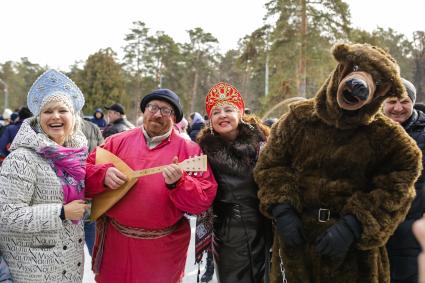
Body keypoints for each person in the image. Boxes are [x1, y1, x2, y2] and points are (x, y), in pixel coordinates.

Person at [254, 43, 422, 282]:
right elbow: (271, 165)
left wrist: (354, 225)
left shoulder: (387, 137)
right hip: (297, 248)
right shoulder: (298, 119)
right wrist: (282, 210)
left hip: (353, 257)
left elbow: (399, 184)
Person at [85, 88, 217, 283]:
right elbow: (82, 175)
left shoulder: (190, 151)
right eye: (152, 107)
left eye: (166, 110)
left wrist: (180, 184)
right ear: (143, 111)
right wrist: (102, 175)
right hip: (116, 245)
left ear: (175, 118)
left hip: (162, 251)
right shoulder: (115, 142)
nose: (157, 114)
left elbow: (202, 200)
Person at [0, 69, 89, 282]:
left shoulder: (78, 157)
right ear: (39, 119)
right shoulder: (22, 158)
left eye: (62, 110)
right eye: (48, 111)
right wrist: (61, 212)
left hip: (69, 268)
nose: (55, 116)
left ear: (73, 117)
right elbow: (6, 216)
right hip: (33, 270)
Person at [197, 82, 271, 283]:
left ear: (240, 113)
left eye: (228, 109)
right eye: (216, 112)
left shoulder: (263, 142)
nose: (222, 115)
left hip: (266, 226)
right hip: (228, 232)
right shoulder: (202, 151)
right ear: (210, 119)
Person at [383, 78, 425, 283]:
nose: (398, 108)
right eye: (392, 101)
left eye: (405, 101)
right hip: (374, 236)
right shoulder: (369, 132)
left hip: (412, 236)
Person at [80, 118, 104, 256]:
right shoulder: (94, 128)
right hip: (91, 204)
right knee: (97, 256)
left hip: (64, 208)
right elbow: (103, 159)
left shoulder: (51, 126)